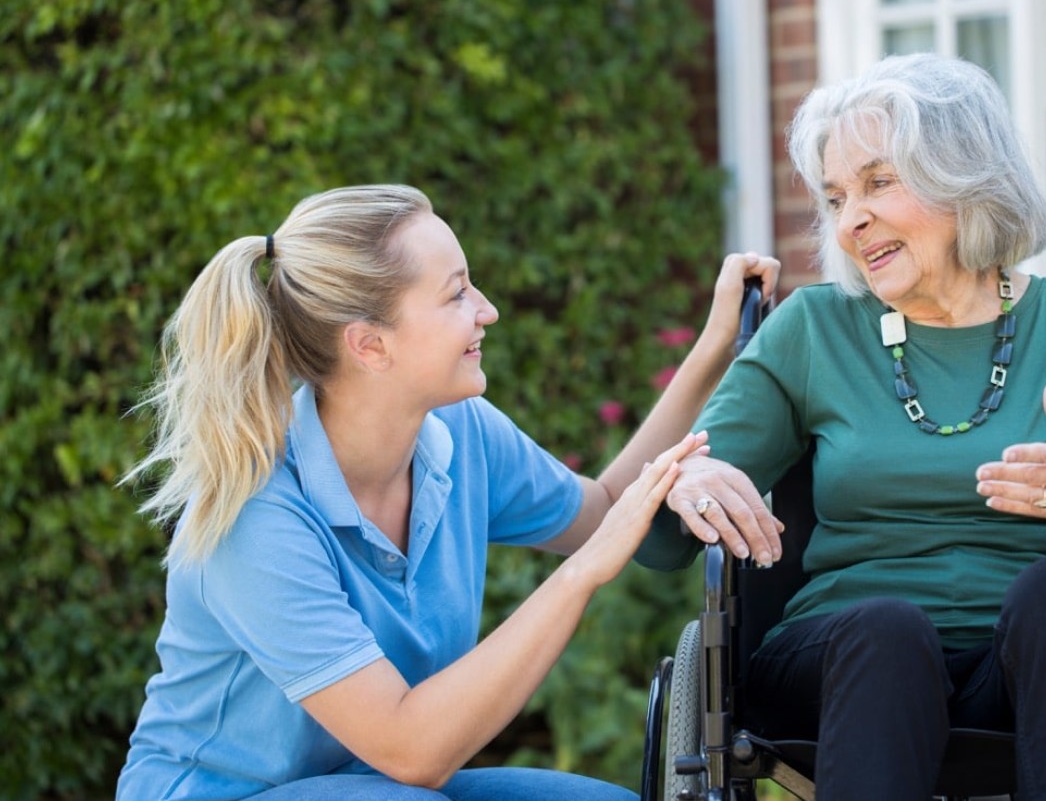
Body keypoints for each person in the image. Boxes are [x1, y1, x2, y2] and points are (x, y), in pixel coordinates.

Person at [634, 53, 1046, 800]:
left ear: (964, 177)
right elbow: (659, 543)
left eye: (878, 182)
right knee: (887, 632)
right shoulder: (813, 330)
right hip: (845, 663)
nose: (849, 221)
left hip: (1041, 665)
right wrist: (689, 479)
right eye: (836, 197)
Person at [115, 183, 779, 801]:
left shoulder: (458, 432)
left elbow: (601, 508)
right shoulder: (256, 513)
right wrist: (581, 574)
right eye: (456, 293)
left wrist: (716, 345)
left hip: (379, 783)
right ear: (370, 345)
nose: (486, 310)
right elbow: (414, 749)